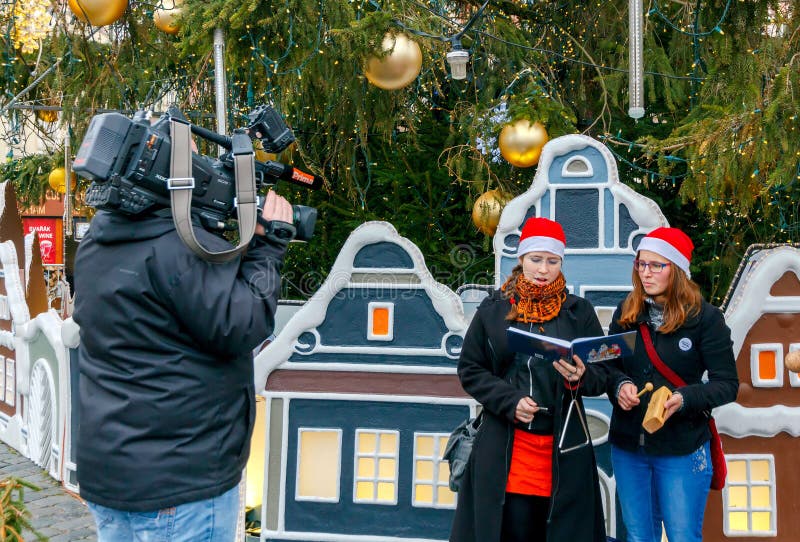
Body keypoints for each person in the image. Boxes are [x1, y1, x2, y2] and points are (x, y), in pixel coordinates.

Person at [72, 190, 295, 541]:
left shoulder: (98, 242)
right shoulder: (181, 250)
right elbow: (241, 325)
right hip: (183, 483)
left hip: (111, 472)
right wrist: (267, 249)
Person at [450, 217, 608, 542]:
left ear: (561, 262)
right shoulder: (493, 309)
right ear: (521, 260)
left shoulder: (580, 312)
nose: (543, 269)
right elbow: (470, 369)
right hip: (508, 450)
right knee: (510, 531)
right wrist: (510, 401)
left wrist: (580, 377)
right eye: (536, 259)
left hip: (564, 450)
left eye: (552, 261)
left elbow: (602, 376)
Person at [604, 227, 738, 542]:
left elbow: (727, 384)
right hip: (629, 446)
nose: (645, 273)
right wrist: (619, 385)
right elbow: (608, 366)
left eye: (656, 265)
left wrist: (685, 398)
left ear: (675, 270)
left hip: (682, 448)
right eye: (641, 264)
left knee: (682, 537)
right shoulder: (627, 313)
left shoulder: (705, 319)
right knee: (639, 537)